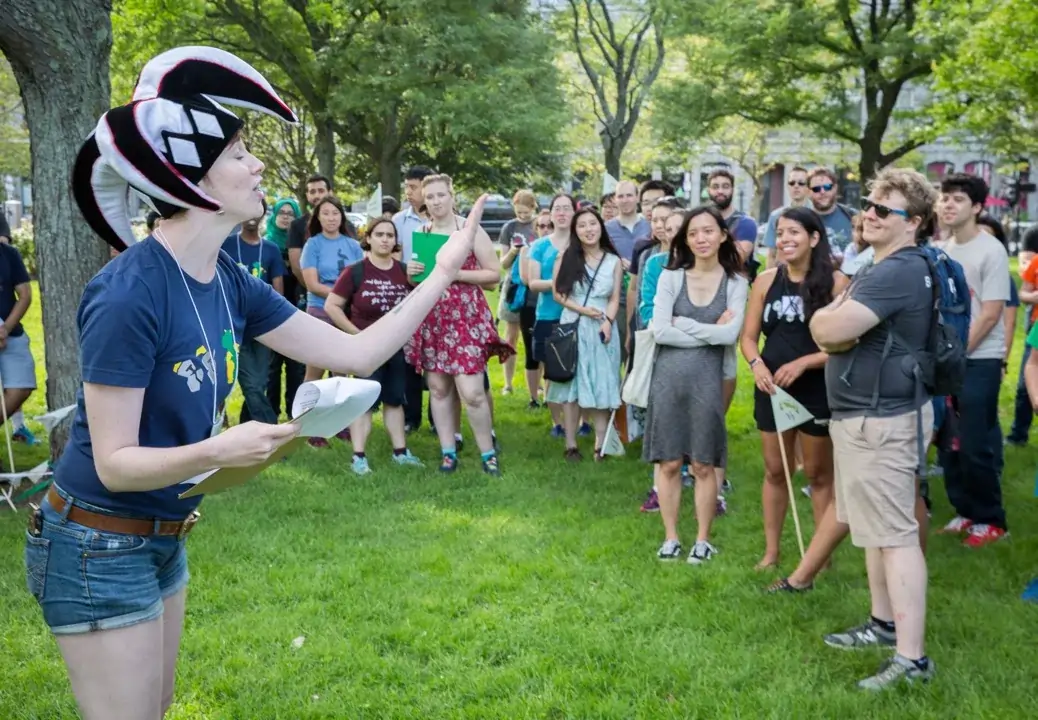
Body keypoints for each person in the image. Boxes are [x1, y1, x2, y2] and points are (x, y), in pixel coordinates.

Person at [40, 46, 490, 719]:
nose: (258, 166)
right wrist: (222, 450)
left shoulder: (228, 279)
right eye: (240, 154)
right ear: (192, 180)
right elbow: (115, 462)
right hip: (97, 542)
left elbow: (360, 353)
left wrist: (443, 272)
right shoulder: (128, 293)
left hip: (163, 534)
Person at [808, 167, 938, 690]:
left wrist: (830, 319)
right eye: (870, 204)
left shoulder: (894, 271)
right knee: (878, 533)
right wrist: (835, 323)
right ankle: (884, 626)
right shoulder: (890, 266)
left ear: (915, 223)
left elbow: (829, 328)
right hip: (876, 415)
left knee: (897, 537)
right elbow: (835, 333)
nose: (870, 214)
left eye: (885, 209)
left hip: (881, 419)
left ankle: (912, 660)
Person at [740, 207, 846, 569]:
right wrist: (756, 366)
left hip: (817, 387)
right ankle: (771, 552)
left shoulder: (837, 283)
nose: (784, 240)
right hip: (771, 388)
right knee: (775, 470)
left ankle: (820, 555)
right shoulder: (766, 281)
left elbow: (843, 345)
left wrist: (804, 363)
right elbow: (749, 338)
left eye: (794, 233)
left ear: (814, 238)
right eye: (780, 233)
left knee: (818, 473)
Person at [645, 206, 748, 565]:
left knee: (704, 464)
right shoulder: (671, 278)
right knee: (670, 462)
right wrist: (709, 332)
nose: (701, 239)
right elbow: (660, 330)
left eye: (708, 231)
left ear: (722, 235)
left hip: (710, 380)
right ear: (684, 240)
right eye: (693, 233)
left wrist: (683, 325)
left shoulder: (736, 282)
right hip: (667, 378)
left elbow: (730, 335)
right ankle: (671, 537)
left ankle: (702, 540)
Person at [405, 173, 514, 476]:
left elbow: (493, 275)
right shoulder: (423, 232)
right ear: (423, 201)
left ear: (452, 196)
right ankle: (448, 451)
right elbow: (418, 279)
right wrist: (412, 272)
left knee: (473, 392)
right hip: (433, 319)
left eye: (441, 195)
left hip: (465, 319)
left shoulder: (469, 229)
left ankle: (487, 453)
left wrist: (456, 275)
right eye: (430, 197)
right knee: (438, 389)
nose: (436, 201)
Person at [936, 173, 1009, 546]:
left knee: (975, 442)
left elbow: (992, 312)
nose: (948, 204)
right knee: (948, 443)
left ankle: (991, 519)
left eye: (958, 199)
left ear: (977, 207)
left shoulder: (991, 250)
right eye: (945, 198)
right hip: (945, 360)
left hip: (979, 359)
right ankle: (964, 510)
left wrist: (959, 352)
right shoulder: (942, 249)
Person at [324, 219, 423, 474]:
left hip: (395, 348)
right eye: (379, 234)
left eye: (390, 235)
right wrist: (356, 335)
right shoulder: (355, 271)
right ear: (368, 239)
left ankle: (400, 452)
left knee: (394, 400)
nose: (385, 239)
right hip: (365, 350)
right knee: (363, 402)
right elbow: (332, 306)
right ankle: (358, 457)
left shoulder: (404, 271)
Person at [548, 207, 624, 460]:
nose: (588, 229)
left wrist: (608, 321)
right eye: (582, 225)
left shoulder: (613, 261)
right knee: (571, 386)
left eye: (593, 224)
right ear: (575, 231)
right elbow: (558, 294)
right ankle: (571, 445)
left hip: (603, 329)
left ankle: (600, 445)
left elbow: (614, 298)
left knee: (603, 383)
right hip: (573, 325)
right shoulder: (566, 257)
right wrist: (582, 310)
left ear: (601, 227)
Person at [299, 194, 365, 447]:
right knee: (315, 373)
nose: (330, 218)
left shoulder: (352, 245)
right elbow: (312, 284)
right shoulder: (312, 245)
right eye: (325, 213)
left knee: (341, 372)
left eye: (335, 213)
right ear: (318, 217)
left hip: (345, 314)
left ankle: (339, 424)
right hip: (319, 312)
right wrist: (340, 295)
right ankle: (309, 426)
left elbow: (360, 278)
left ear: (342, 216)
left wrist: (346, 300)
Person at [221, 205, 287, 424]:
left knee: (258, 383)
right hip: (232, 324)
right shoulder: (227, 245)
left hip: (262, 325)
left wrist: (278, 324)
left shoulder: (270, 249)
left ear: (262, 215)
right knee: (251, 384)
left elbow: (278, 291)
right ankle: (271, 430)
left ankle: (246, 425)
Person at [526, 195, 577, 437]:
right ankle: (557, 422)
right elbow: (533, 283)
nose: (562, 213)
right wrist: (558, 283)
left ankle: (580, 421)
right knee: (553, 372)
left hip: (579, 315)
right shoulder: (540, 246)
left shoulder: (582, 242)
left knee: (580, 370)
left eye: (567, 208)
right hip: (548, 316)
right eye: (558, 208)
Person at [264, 197, 303, 419]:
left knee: (296, 367)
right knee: (272, 368)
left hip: (297, 311)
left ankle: (294, 413)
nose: (286, 216)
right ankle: (270, 414)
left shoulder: (300, 246)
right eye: (282, 212)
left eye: (291, 213)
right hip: (270, 313)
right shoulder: (266, 245)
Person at [496, 190, 538, 395]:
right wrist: (514, 250)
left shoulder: (540, 225)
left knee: (536, 337)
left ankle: (538, 383)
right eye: (518, 212)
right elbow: (502, 263)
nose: (522, 216)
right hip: (514, 288)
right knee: (510, 337)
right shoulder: (509, 227)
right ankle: (508, 383)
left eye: (525, 212)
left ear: (533, 208)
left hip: (535, 286)